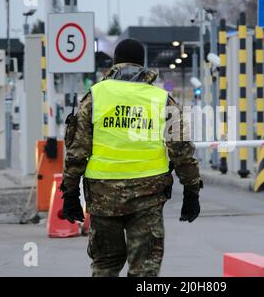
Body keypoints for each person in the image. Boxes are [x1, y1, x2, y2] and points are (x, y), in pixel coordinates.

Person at [61, 38, 202, 277]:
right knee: (144, 269)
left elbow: (77, 151)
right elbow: (182, 151)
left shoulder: (94, 97)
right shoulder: (161, 99)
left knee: (105, 265)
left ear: (114, 63)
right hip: (148, 196)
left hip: (102, 196)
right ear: (142, 64)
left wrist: (70, 193)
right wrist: (191, 191)